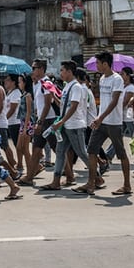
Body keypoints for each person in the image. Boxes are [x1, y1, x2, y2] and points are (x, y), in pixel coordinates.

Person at [80, 51, 132, 196]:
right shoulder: (102, 79)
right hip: (100, 121)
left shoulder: (117, 79)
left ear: (105, 64)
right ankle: (91, 183)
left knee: (121, 154)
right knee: (91, 150)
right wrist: (98, 117)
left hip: (114, 123)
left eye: (98, 63)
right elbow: (104, 101)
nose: (96, 65)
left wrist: (100, 117)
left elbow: (114, 102)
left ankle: (127, 185)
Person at [42, 61, 91, 190]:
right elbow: (64, 106)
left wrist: (61, 122)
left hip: (75, 125)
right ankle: (56, 181)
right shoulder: (67, 86)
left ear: (70, 71)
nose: (61, 73)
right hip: (66, 125)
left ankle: (96, 177)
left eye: (62, 70)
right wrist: (53, 94)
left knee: (82, 153)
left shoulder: (76, 87)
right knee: (60, 152)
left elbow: (74, 106)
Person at [20, 60, 56, 186]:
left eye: (34, 68)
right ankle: (29, 176)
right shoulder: (38, 84)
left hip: (48, 120)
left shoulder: (46, 83)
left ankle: (69, 175)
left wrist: (40, 122)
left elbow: (47, 104)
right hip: (42, 120)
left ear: (41, 69)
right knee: (36, 148)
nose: (33, 70)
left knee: (57, 149)